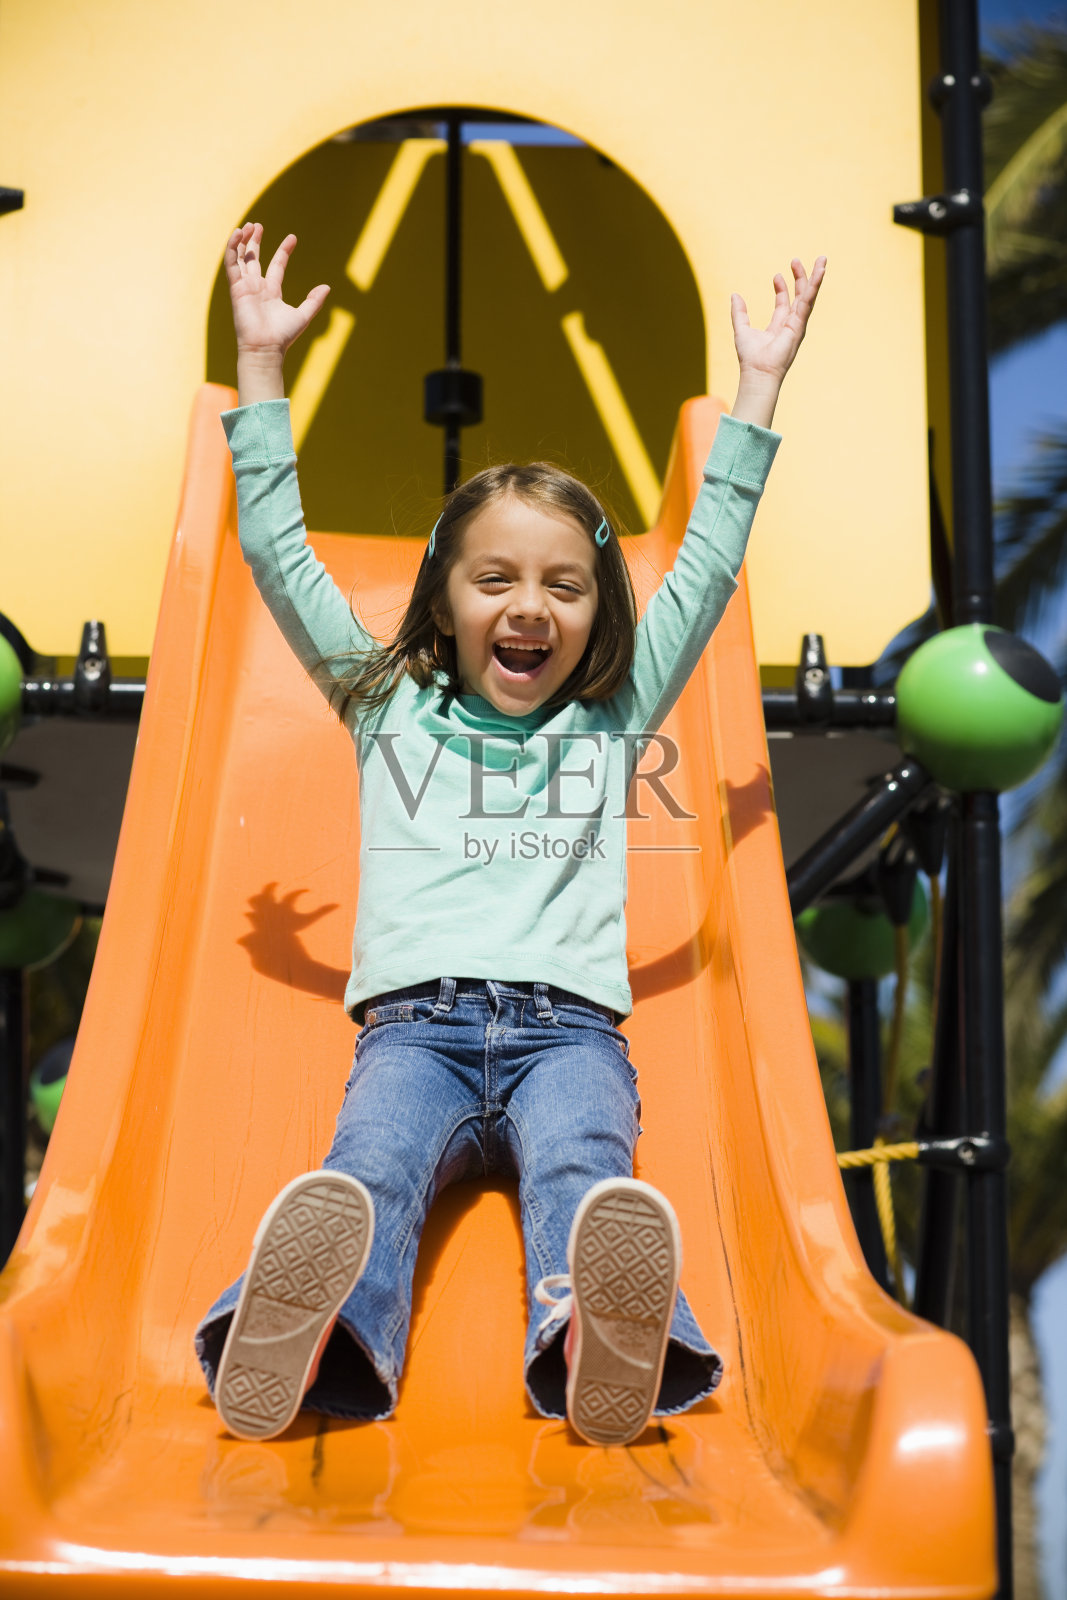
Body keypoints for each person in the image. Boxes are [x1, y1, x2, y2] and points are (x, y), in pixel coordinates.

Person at [194, 221, 825, 1447]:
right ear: (441, 600)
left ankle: (597, 1336)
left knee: (589, 1176)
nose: (528, 606)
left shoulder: (613, 714)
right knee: (366, 1173)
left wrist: (757, 389)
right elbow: (273, 549)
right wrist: (260, 364)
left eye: (563, 585)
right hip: (414, 1033)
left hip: (567, 1036)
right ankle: (314, 1334)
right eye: (494, 580)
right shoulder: (385, 706)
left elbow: (707, 562)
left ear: (599, 614)